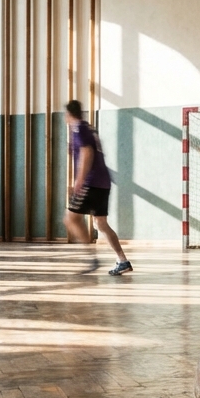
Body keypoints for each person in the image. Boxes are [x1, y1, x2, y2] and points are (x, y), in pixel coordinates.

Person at [63, 100, 131, 275]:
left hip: (91, 182)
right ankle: (122, 260)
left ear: (69, 115)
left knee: (70, 219)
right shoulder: (89, 128)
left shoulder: (78, 128)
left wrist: (79, 180)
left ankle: (92, 259)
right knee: (100, 223)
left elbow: (87, 152)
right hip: (103, 182)